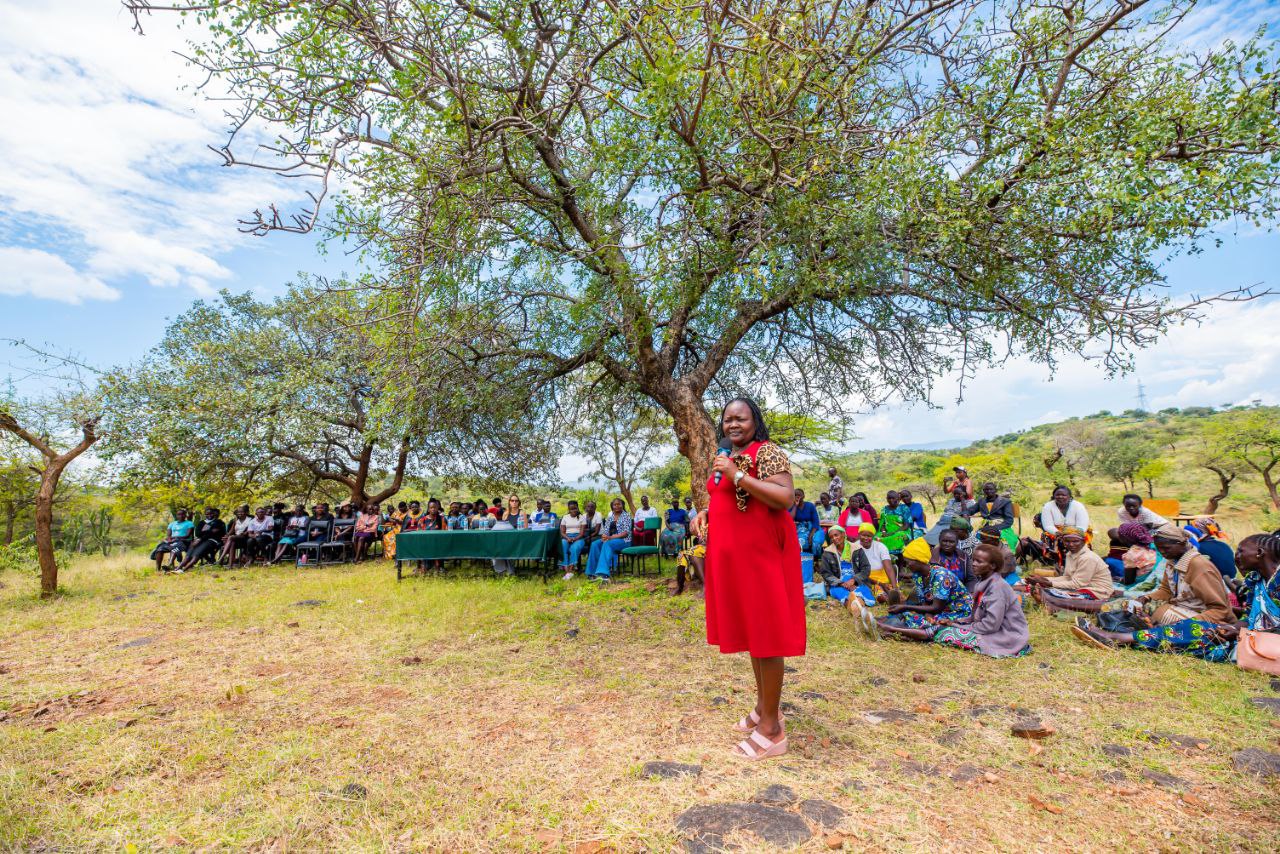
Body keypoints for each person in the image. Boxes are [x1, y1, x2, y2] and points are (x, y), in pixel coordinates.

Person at [689, 397, 803, 761]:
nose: (733, 425)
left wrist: (737, 474)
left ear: (755, 421)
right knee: (754, 635)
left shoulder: (766, 451)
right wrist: (706, 511)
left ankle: (772, 730)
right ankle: (765, 708)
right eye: (727, 420)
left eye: (741, 418)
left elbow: (784, 497)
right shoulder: (726, 455)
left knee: (767, 636)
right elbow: (731, 495)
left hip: (761, 557)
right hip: (736, 559)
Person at [1071, 533, 1279, 660]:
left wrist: (1242, 632)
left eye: (1241, 551)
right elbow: (1250, 619)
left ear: (1260, 553)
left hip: (1269, 646)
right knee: (1203, 636)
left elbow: (1265, 625)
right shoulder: (1256, 580)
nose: (1236, 556)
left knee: (1194, 631)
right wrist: (1233, 628)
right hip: (1249, 641)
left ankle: (1120, 638)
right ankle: (1128, 636)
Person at [884, 544, 1031, 657]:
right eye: (973, 560)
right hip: (989, 629)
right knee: (942, 628)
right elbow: (975, 616)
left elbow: (990, 626)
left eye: (979, 562)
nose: (974, 564)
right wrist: (955, 622)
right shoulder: (983, 584)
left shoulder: (997, 588)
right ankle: (893, 630)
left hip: (1006, 636)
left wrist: (958, 626)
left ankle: (891, 629)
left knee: (944, 632)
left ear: (992, 566)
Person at [878, 537, 973, 633]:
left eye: (908, 562)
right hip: (941, 610)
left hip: (959, 612)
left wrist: (905, 607)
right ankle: (887, 624)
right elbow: (924, 602)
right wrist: (927, 615)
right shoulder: (918, 576)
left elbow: (937, 607)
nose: (906, 565)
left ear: (918, 560)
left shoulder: (941, 576)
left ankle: (891, 626)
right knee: (912, 616)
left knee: (918, 620)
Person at [1024, 526, 1113, 606]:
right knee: (1041, 588)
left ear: (1083, 541)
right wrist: (1044, 579)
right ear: (1063, 541)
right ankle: (1047, 600)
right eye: (1067, 541)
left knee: (1052, 593)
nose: (1071, 544)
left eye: (1075, 541)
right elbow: (1067, 577)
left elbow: (1077, 584)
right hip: (1081, 587)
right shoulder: (1070, 554)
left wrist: (1048, 583)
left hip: (1098, 592)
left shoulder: (1088, 558)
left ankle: (1050, 603)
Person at [817, 525, 872, 607]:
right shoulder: (827, 552)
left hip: (857, 581)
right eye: (831, 537)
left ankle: (857, 603)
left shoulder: (857, 549)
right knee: (840, 592)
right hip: (839, 583)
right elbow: (826, 573)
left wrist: (854, 580)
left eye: (836, 535)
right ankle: (852, 604)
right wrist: (842, 583)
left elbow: (866, 568)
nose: (834, 538)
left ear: (843, 534)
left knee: (861, 590)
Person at [586, 498, 632, 580]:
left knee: (608, 544)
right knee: (595, 544)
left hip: (624, 541)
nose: (617, 506)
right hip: (610, 540)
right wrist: (604, 537)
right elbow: (605, 531)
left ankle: (603, 572)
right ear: (612, 506)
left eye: (619, 504)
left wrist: (610, 537)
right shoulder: (610, 517)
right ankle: (592, 572)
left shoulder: (626, 516)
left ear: (622, 505)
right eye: (615, 504)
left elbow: (625, 533)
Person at [852, 522, 896, 598]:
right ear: (859, 535)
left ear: (873, 536)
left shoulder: (880, 546)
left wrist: (895, 588)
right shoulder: (854, 548)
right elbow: (857, 572)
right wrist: (880, 584)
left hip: (882, 576)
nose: (866, 538)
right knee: (882, 597)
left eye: (869, 536)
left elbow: (888, 567)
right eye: (863, 535)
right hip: (866, 578)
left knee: (894, 592)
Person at [151, 508, 195, 573]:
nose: (181, 516)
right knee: (159, 549)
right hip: (173, 541)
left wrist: (175, 538)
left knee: (174, 547)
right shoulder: (172, 524)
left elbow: (187, 535)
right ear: (176, 515)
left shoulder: (189, 523)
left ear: (185, 515)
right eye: (179, 514)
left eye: (183, 514)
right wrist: (169, 540)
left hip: (184, 541)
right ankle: (158, 569)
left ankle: (170, 564)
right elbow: (168, 535)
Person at [790, 488, 824, 554]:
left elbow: (816, 521)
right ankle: (803, 558)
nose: (797, 497)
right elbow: (790, 519)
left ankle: (816, 558)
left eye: (799, 495)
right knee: (801, 542)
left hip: (813, 528)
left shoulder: (810, 505)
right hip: (799, 529)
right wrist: (795, 506)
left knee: (817, 541)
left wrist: (811, 535)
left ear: (803, 496)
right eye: (795, 495)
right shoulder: (791, 506)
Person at [560, 500, 588, 579]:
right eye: (571, 509)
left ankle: (570, 570)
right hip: (566, 537)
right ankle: (567, 572)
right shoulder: (565, 517)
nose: (573, 511)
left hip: (579, 538)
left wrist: (574, 539)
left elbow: (582, 533)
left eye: (575, 508)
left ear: (577, 508)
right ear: (568, 509)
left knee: (574, 548)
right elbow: (562, 532)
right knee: (563, 546)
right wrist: (568, 538)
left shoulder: (582, 518)